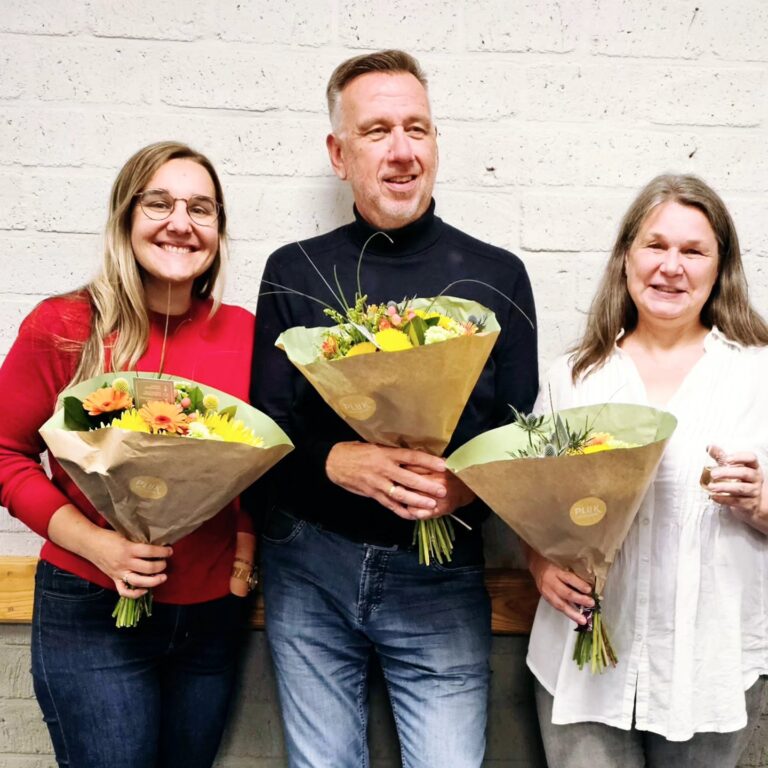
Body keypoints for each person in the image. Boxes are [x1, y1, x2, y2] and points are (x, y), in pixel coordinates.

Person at [251, 50, 538, 767]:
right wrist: (336, 460)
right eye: (377, 130)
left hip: (440, 577)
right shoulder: (293, 269)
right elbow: (264, 437)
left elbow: (518, 434)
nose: (403, 150)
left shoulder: (499, 275)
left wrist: (465, 484)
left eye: (418, 127)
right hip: (308, 568)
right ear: (338, 153)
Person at [0, 141, 257, 768]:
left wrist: (245, 548)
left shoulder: (248, 335)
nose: (180, 222)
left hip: (210, 621)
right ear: (125, 216)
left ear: (219, 232)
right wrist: (99, 545)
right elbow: (4, 452)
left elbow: (263, 464)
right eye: (160, 203)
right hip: (91, 610)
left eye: (202, 208)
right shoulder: (64, 325)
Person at [526, 174, 768, 767]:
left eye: (693, 251)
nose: (671, 267)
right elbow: (529, 505)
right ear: (626, 256)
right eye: (656, 246)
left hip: (710, 665)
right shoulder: (574, 377)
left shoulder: (758, 375)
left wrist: (763, 502)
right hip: (582, 661)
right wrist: (539, 566)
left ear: (721, 268)